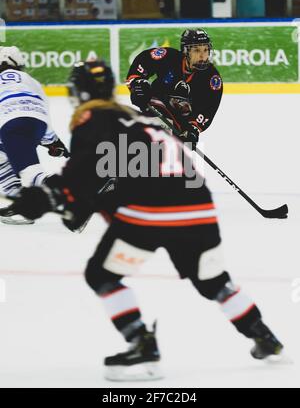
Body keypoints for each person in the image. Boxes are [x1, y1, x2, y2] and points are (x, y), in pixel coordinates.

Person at [9, 61, 283, 381]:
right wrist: (73, 202)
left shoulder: (93, 117)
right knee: (213, 280)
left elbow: (83, 175)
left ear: (80, 93)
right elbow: (112, 175)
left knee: (102, 275)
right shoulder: (138, 118)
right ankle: (263, 335)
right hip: (199, 207)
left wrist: (42, 198)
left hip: (152, 210)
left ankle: (141, 344)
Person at [0, 45, 69, 224]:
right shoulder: (30, 80)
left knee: (30, 172)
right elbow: (41, 111)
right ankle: (19, 201)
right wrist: (52, 142)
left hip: (10, 126)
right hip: (35, 124)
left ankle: (74, 197)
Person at [126, 28, 223, 147]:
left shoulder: (211, 78)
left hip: (181, 122)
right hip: (157, 107)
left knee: (174, 156)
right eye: (197, 50)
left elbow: (208, 108)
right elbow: (143, 61)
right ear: (186, 51)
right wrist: (137, 84)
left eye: (206, 50)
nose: (203, 55)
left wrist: (193, 130)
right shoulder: (169, 57)